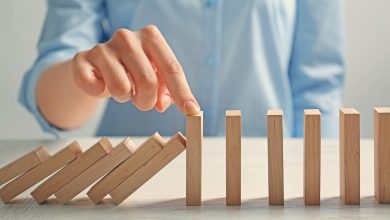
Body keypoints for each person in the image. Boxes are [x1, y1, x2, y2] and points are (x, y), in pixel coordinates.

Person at [19, 0, 345, 137]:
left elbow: (317, 86)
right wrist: (88, 76)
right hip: (128, 191)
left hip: (268, 186)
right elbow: (51, 85)